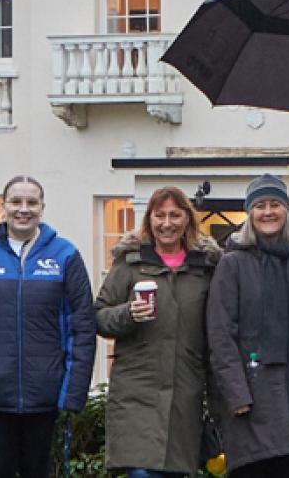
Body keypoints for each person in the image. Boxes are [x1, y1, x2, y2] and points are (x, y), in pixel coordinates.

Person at [0, 176, 97, 478]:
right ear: (3, 207)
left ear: (42, 208)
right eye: (16, 202)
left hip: (45, 395)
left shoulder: (65, 255)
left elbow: (82, 327)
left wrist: (73, 391)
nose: (23, 209)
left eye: (31, 202)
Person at [95, 185, 222, 478]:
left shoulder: (205, 269)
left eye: (175, 215)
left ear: (188, 219)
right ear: (149, 219)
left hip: (184, 396)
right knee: (142, 473)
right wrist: (127, 314)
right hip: (136, 396)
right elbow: (98, 316)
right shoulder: (129, 264)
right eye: (160, 215)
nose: (167, 223)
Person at [207, 174, 289, 478]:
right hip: (250, 406)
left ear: (286, 211)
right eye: (260, 205)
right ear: (250, 213)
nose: (268, 212)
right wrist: (237, 395)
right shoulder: (232, 264)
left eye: (275, 204)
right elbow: (221, 335)